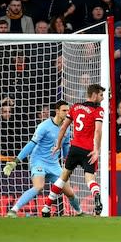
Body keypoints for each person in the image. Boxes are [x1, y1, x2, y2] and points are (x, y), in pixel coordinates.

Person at [2, 101, 82, 217]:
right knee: (38, 187)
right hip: (38, 161)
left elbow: (65, 147)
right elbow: (31, 144)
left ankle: (79, 212)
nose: (67, 113)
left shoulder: (67, 128)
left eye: (68, 111)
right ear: (57, 111)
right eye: (64, 110)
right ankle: (13, 210)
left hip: (54, 164)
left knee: (69, 192)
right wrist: (16, 161)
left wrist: (67, 163)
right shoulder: (44, 126)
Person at [42, 84, 106, 217]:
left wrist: (58, 145)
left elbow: (63, 128)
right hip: (88, 150)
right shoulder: (98, 110)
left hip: (74, 148)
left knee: (63, 177)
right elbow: (98, 131)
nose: (103, 98)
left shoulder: (75, 107)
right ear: (94, 95)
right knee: (90, 178)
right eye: (101, 95)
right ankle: (97, 195)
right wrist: (96, 150)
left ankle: (46, 207)